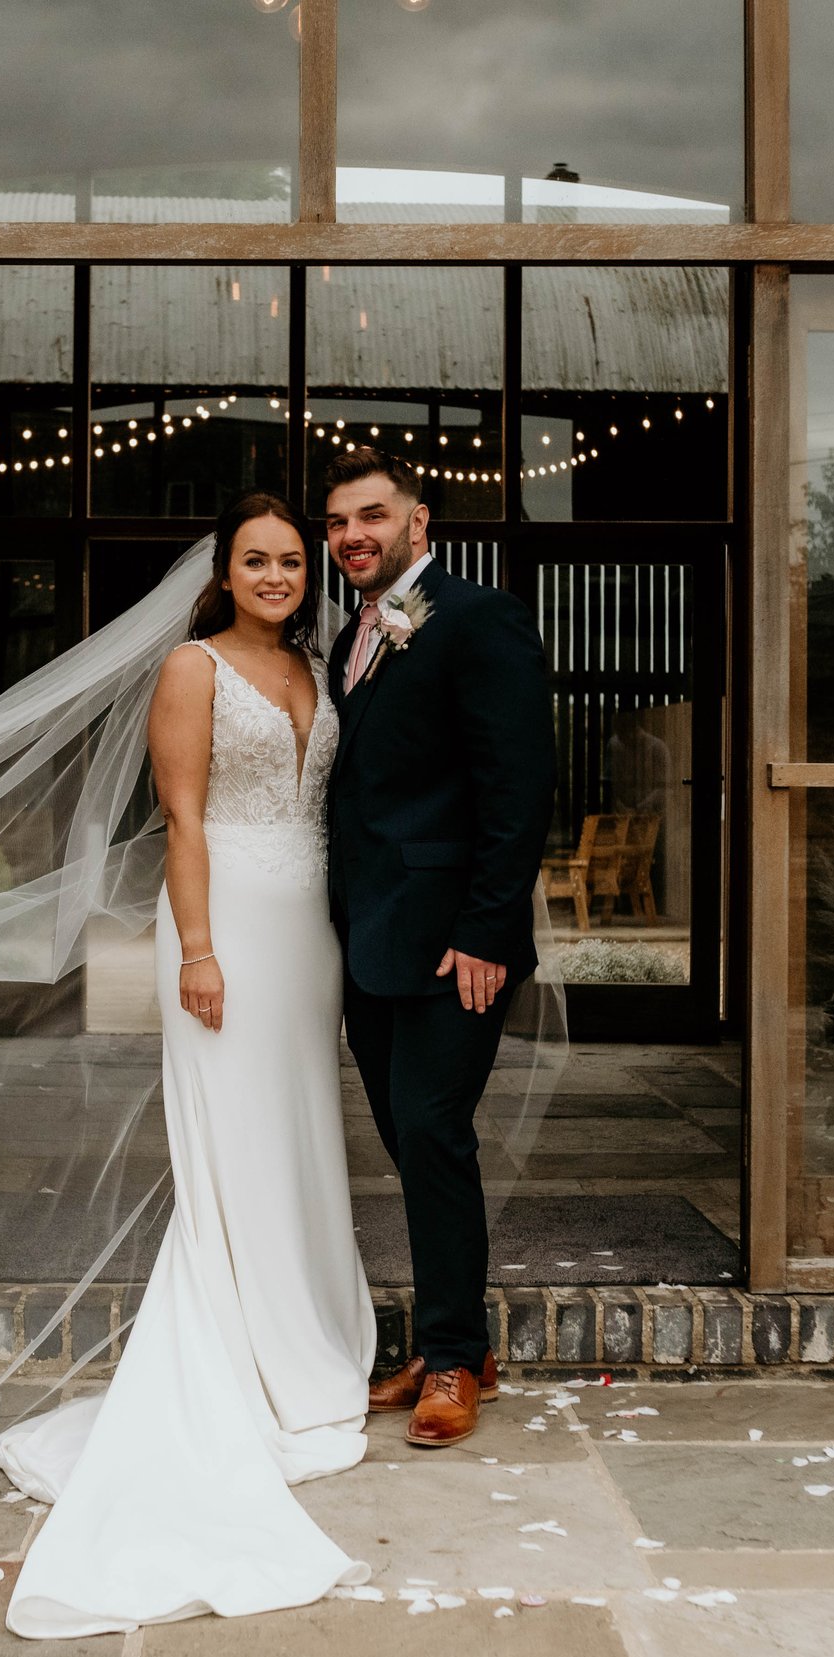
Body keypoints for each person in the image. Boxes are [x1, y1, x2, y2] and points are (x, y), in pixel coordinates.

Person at [0, 492, 377, 1637]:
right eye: (256, 559)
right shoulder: (194, 669)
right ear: (222, 571)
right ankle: (238, 1355)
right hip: (226, 925)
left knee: (300, 1126)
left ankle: (303, 1338)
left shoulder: (318, 665)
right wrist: (197, 951)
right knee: (236, 1137)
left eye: (291, 561)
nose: (276, 575)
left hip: (308, 928)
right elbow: (183, 822)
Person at [323, 448, 556, 1448]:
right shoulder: (359, 632)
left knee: (431, 1128)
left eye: (372, 515)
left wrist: (486, 930)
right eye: (337, 522)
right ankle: (452, 1340)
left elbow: (518, 783)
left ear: (421, 525)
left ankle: (456, 1355)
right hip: (372, 938)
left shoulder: (475, 616)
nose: (351, 536)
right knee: (410, 1137)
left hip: (452, 942)